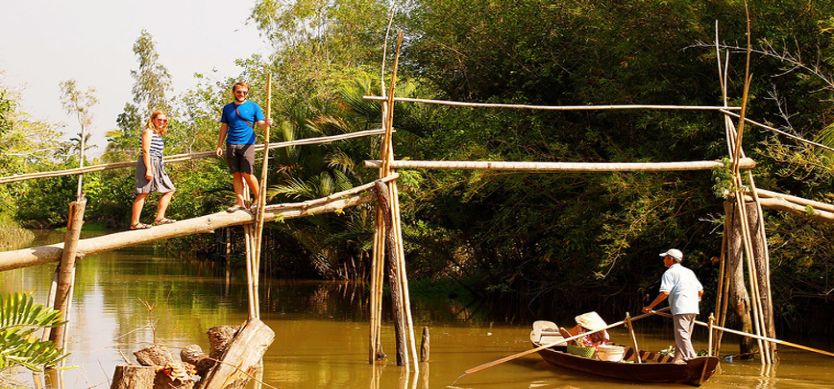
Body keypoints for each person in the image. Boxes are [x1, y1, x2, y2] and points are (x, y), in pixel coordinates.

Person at [642, 248, 704, 363]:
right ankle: (677, 360)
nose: (664, 260)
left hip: (682, 308)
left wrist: (650, 307)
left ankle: (693, 359)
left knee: (682, 335)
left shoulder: (669, 273)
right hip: (693, 308)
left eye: (665, 258)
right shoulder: (688, 271)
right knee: (684, 336)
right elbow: (700, 291)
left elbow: (665, 293)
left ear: (671, 259)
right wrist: (696, 300)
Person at [215, 81, 269, 212]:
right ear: (234, 92)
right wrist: (219, 145)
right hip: (231, 143)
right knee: (236, 174)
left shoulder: (253, 106)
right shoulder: (227, 108)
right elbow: (224, 127)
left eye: (244, 92)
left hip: (247, 144)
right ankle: (239, 202)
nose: (241, 94)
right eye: (239, 91)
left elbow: (260, 123)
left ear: (247, 93)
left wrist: (267, 123)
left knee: (247, 172)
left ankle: (259, 199)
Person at [130, 110, 176, 230]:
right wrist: (149, 169)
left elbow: (158, 152)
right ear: (153, 120)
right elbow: (145, 151)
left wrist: (160, 165)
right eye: (159, 119)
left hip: (158, 164)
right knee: (143, 192)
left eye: (164, 120)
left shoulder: (158, 134)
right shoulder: (148, 132)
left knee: (170, 189)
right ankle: (135, 223)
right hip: (148, 163)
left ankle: (159, 218)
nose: (162, 122)